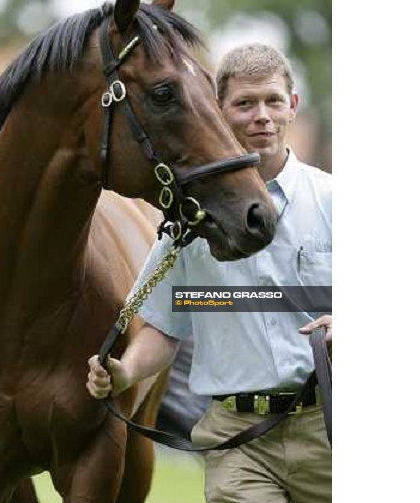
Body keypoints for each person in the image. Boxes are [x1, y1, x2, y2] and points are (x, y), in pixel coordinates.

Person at [87, 43, 332, 503]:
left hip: (331, 427)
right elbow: (163, 328)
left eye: (273, 101)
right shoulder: (186, 224)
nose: (261, 115)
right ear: (218, 110)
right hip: (238, 442)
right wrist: (124, 372)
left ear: (292, 106)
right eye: (245, 103)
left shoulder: (335, 201)